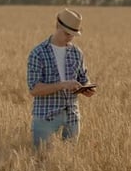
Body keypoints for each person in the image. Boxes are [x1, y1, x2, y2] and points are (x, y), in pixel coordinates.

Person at [27, 8, 96, 148]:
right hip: (46, 118)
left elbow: (84, 78)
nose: (70, 37)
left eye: (73, 34)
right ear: (57, 25)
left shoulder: (77, 53)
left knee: (69, 164)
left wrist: (87, 88)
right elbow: (34, 89)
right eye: (67, 33)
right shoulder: (38, 53)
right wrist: (63, 85)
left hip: (72, 118)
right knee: (41, 162)